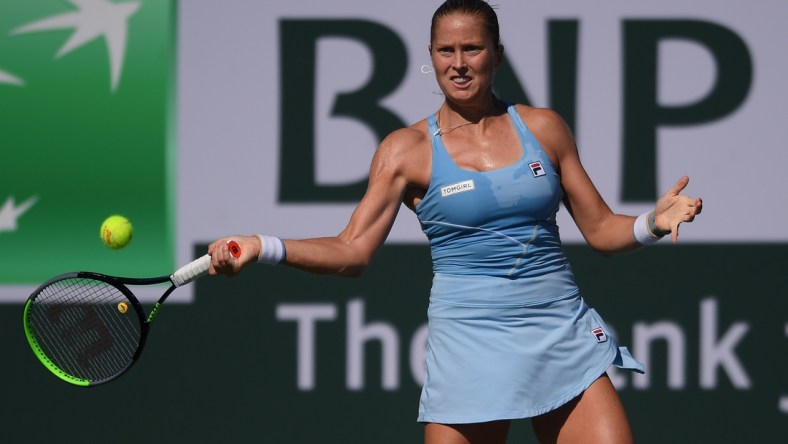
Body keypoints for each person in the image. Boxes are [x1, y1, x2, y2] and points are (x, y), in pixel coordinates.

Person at [208, 0, 703, 442]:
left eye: (472, 49)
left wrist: (650, 224)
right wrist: (263, 244)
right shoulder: (406, 151)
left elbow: (600, 230)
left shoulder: (545, 128)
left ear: (497, 55)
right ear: (431, 56)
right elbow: (352, 252)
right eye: (446, 51)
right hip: (470, 344)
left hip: (561, 332)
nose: (459, 65)